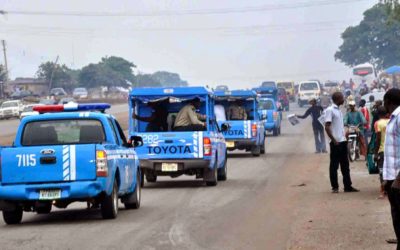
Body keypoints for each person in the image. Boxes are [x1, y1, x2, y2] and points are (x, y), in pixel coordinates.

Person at [325, 92, 359, 193]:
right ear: (338, 99)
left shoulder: (339, 110)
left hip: (342, 141)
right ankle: (335, 187)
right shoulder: (330, 110)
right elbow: (327, 126)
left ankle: (348, 186)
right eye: (342, 98)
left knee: (345, 165)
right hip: (336, 143)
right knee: (334, 166)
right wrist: (334, 140)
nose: (344, 99)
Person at [382, 88, 400, 247]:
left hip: (399, 180)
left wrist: (398, 180)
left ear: (388, 101)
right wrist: (387, 180)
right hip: (393, 179)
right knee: (397, 219)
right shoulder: (393, 118)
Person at [374, 106, 389, 199]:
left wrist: (375, 152)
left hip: (382, 150)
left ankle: (383, 191)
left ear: (378, 114)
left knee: (382, 171)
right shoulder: (391, 121)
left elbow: (378, 139)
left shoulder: (377, 123)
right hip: (391, 150)